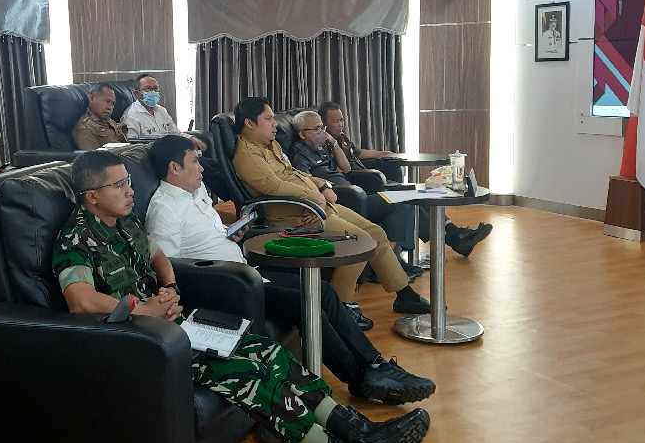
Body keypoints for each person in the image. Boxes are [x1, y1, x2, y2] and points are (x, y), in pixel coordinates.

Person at [52, 150, 429, 443]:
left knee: (270, 353)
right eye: (119, 185)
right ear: (92, 196)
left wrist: (169, 287)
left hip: (175, 326)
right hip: (142, 343)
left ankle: (358, 433)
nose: (130, 190)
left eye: (128, 181)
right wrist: (143, 309)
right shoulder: (76, 237)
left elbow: (158, 255)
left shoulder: (124, 222)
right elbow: (80, 300)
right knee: (250, 373)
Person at [145, 135, 436, 404]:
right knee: (305, 301)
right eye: (194, 161)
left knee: (323, 291)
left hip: (245, 272)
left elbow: (203, 238)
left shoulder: (194, 193)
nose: (201, 168)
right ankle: (359, 377)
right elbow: (172, 267)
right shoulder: (164, 210)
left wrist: (229, 234)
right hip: (229, 288)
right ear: (174, 168)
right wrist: (231, 272)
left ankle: (374, 363)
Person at [232, 97, 431, 328]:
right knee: (359, 241)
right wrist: (314, 197)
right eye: (268, 119)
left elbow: (295, 173)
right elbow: (274, 187)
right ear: (249, 123)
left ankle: (404, 294)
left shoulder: (271, 145)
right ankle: (342, 306)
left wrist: (322, 185)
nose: (274, 124)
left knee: (375, 232)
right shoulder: (247, 156)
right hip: (296, 218)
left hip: (316, 207)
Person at [318, 101, 493, 257]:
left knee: (418, 194)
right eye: (335, 121)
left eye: (342, 120)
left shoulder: (342, 139)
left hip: (372, 180)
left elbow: (358, 153)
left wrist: (384, 153)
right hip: (364, 185)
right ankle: (455, 237)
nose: (340, 124)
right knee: (411, 199)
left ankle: (454, 234)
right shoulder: (325, 145)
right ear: (323, 124)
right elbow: (341, 170)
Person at [288, 110, 420, 279]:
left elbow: (346, 168)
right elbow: (305, 183)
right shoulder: (299, 154)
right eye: (316, 129)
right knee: (399, 203)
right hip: (343, 199)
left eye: (322, 128)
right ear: (302, 134)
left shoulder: (321, 147)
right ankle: (387, 265)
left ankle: (393, 260)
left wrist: (333, 142)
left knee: (404, 199)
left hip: (355, 196)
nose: (322, 132)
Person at [121, 73, 206, 151]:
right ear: (137, 94)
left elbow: (176, 133)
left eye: (155, 88)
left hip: (171, 152)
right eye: (148, 89)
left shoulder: (161, 111)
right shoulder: (131, 116)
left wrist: (192, 139)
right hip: (151, 155)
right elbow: (131, 146)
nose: (153, 92)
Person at [72, 81, 128, 150]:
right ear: (92, 98)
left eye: (113, 103)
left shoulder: (109, 121)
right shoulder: (85, 128)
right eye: (107, 101)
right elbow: (93, 155)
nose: (110, 107)